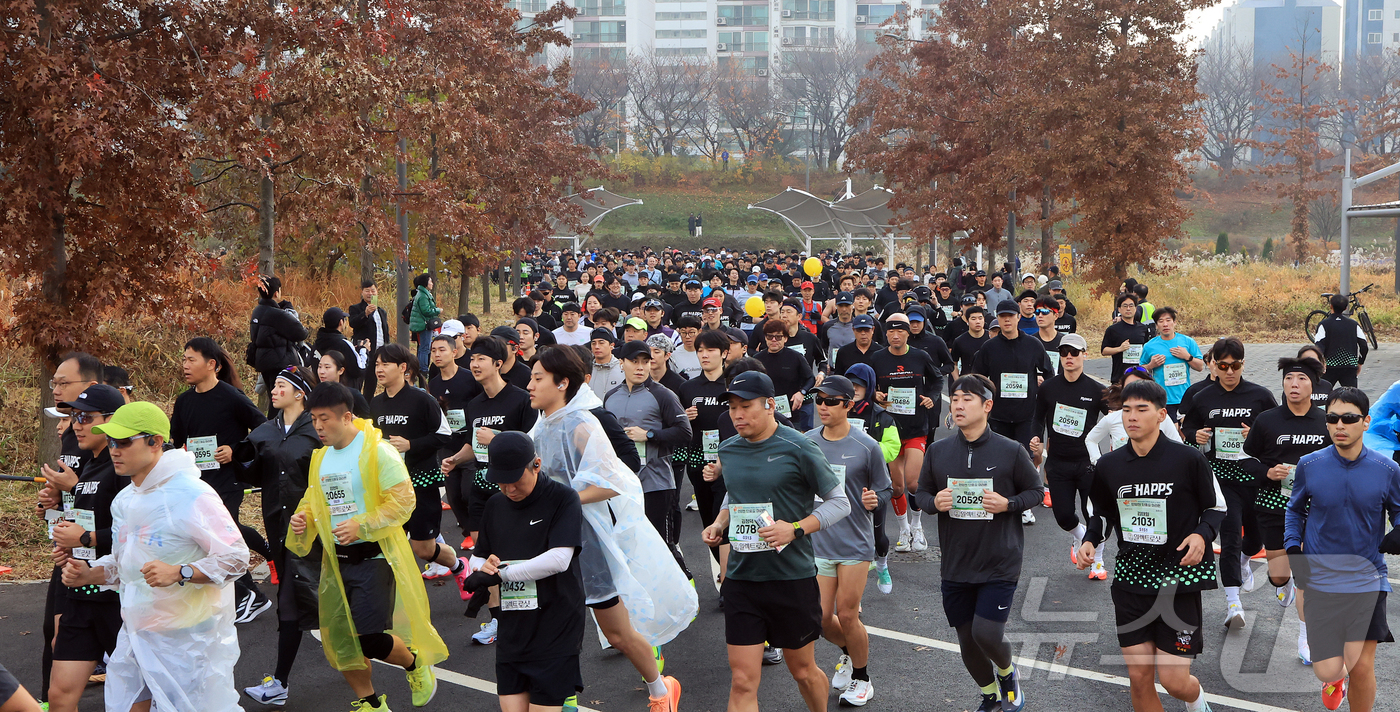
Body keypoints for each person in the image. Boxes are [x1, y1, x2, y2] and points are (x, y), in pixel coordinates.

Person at [528, 346, 694, 712]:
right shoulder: (542, 424)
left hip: (587, 542)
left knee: (617, 632)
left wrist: (561, 498)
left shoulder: (581, 423)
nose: (530, 385)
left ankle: (661, 690)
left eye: (538, 378)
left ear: (562, 383)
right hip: (548, 539)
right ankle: (562, 696)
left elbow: (613, 482)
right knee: (555, 623)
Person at [62, 402, 250, 712]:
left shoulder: (191, 494)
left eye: (124, 441)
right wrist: (90, 575)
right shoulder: (126, 500)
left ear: (156, 442)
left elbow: (236, 558)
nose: (114, 450)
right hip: (137, 632)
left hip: (187, 639)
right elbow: (127, 563)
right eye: (110, 442)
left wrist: (181, 572)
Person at [287, 383, 447, 711]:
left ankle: (415, 664)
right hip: (336, 561)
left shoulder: (377, 451)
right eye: (313, 419)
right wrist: (303, 518)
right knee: (343, 642)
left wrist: (362, 523)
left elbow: (403, 502)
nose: (318, 426)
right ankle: (371, 704)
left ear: (347, 417)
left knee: (369, 638)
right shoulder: (321, 457)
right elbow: (314, 498)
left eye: (324, 419)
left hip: (373, 557)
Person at [700, 370, 850, 712]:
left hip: (790, 578)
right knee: (742, 680)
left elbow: (840, 503)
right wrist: (720, 522)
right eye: (733, 407)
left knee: (803, 671)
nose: (737, 414)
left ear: (769, 405)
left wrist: (794, 528)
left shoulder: (798, 446)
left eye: (746, 406)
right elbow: (734, 496)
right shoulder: (729, 449)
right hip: (741, 579)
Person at [1078, 379, 1224, 712]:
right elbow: (1101, 511)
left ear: (1161, 415)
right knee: (1140, 677)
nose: (1132, 416)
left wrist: (1202, 534)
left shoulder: (1187, 459)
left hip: (1177, 580)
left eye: (1141, 409)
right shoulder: (1109, 465)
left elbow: (1216, 507)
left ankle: (1197, 700)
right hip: (1132, 580)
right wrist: (1090, 539)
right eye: (1126, 409)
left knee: (1174, 683)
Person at [916, 375, 1040, 712]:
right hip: (956, 561)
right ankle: (989, 695)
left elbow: (1036, 491)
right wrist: (932, 503)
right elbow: (921, 494)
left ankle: (1007, 672)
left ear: (987, 406)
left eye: (967, 398)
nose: (957, 404)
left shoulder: (1010, 450)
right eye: (954, 398)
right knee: (966, 639)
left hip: (1000, 559)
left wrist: (1008, 504)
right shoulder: (938, 451)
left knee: (986, 633)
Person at [461, 431, 597, 712]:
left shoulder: (563, 498)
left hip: (555, 624)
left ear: (536, 464)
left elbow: (560, 558)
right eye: (501, 482)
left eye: (515, 481)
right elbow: (478, 557)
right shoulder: (496, 505)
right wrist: (482, 566)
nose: (509, 489)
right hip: (513, 627)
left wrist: (503, 573)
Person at [1287, 387, 1400, 712]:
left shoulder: (1387, 469)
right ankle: (1332, 677)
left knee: (1362, 666)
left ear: (1365, 422)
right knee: (1329, 666)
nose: (1339, 425)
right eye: (1333, 418)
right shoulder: (1310, 464)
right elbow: (1295, 510)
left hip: (1368, 578)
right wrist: (1294, 547)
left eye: (1348, 418)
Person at [236, 367, 323, 706]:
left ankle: (393, 655)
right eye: (273, 385)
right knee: (293, 602)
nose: (274, 390)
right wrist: (235, 460)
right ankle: (280, 683)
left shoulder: (317, 429)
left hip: (317, 531)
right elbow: (253, 472)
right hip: (280, 529)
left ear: (300, 393)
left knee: (317, 602)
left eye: (282, 386)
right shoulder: (264, 432)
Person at [169, 337, 273, 622]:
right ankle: (251, 594)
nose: (185, 365)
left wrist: (235, 451)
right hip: (196, 485)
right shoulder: (184, 401)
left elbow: (264, 429)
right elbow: (177, 441)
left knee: (221, 539)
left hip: (228, 480)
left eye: (191, 359)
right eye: (184, 359)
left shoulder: (231, 396)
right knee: (213, 539)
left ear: (211, 364)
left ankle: (248, 595)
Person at [1179, 338, 1276, 629]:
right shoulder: (1202, 396)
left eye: (1235, 365)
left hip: (1255, 477)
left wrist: (1255, 436)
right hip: (1222, 478)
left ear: (1243, 364)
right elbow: (1189, 427)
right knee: (1231, 536)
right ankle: (1234, 604)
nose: (1230, 371)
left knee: (1255, 539)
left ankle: (1247, 561)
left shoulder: (1261, 396)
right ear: (1214, 366)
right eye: (1223, 366)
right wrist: (1196, 435)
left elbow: (1276, 428)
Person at [806, 376, 890, 707]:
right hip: (819, 542)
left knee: (848, 613)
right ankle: (847, 652)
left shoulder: (866, 445)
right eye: (819, 400)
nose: (823, 406)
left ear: (848, 405)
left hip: (855, 543)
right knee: (821, 618)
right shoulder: (808, 441)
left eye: (831, 401)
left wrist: (875, 500)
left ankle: (862, 678)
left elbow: (885, 489)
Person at [1241, 357, 1329, 666]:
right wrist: (1267, 472)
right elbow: (1246, 459)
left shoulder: (1326, 421)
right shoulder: (1267, 420)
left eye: (1301, 379)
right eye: (1289, 378)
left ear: (1313, 386)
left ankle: (1306, 640)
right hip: (1274, 506)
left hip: (1315, 509)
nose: (1294, 384)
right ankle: (1284, 582)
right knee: (1279, 576)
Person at [44, 385, 126, 712]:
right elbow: (82, 522)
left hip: (116, 598)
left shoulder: (121, 467)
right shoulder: (89, 465)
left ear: (110, 421)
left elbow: (132, 534)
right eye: (74, 416)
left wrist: (84, 539)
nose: (76, 424)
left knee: (136, 696)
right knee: (60, 695)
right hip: (79, 592)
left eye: (85, 417)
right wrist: (65, 545)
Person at [36, 352, 102, 707]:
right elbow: (68, 502)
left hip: (109, 571)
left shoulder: (112, 445)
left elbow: (114, 508)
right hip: (70, 557)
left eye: (63, 383)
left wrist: (74, 488)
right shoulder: (71, 433)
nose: (56, 389)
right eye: (54, 383)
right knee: (54, 631)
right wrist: (51, 507)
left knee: (132, 667)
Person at [369, 344, 466, 585]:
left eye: (385, 364)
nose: (379, 370)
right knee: (388, 544)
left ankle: (458, 566)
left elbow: (444, 435)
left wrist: (411, 444)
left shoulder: (422, 399)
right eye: (377, 365)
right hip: (389, 485)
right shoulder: (376, 404)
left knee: (422, 548)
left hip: (421, 482)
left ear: (403, 368)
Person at [604, 339, 694, 578]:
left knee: (661, 546)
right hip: (622, 485)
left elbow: (685, 433)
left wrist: (650, 435)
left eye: (645, 361)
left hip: (656, 484)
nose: (641, 367)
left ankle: (684, 588)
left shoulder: (663, 395)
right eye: (634, 361)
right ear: (621, 363)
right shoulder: (610, 396)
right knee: (627, 547)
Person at [1029, 333, 1108, 580]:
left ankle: (1098, 561)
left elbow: (1114, 419)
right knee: (1064, 516)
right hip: (1058, 463)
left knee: (1095, 514)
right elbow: (1037, 417)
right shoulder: (1049, 388)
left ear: (1085, 354)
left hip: (1088, 463)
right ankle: (1080, 536)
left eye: (1074, 352)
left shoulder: (1097, 390)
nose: (1069, 357)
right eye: (1064, 353)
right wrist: (1035, 437)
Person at [867, 312, 941, 552]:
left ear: (909, 334)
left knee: (913, 483)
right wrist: (874, 395)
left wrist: (930, 397)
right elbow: (866, 386)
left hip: (916, 427)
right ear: (885, 333)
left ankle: (918, 527)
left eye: (900, 331)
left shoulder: (920, 356)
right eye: (891, 331)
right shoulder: (877, 358)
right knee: (896, 487)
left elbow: (937, 379)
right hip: (889, 429)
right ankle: (903, 529)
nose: (895, 335)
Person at [676, 329, 735, 578]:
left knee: (727, 521)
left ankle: (729, 578)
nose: (704, 355)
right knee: (709, 523)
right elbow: (677, 429)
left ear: (724, 353)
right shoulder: (687, 387)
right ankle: (725, 573)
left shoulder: (732, 385)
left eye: (710, 350)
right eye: (700, 350)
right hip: (699, 462)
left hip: (730, 461)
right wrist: (685, 419)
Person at [1085, 367, 1184, 462]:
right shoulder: (1112, 418)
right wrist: (1098, 462)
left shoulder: (1162, 417)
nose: (1134, 391)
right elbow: (1091, 439)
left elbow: (1178, 447)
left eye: (1141, 386)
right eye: (1129, 387)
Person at [249, 275, 310, 411]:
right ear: (277, 293)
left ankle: (274, 426)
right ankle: (279, 427)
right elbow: (301, 333)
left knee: (274, 398)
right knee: (282, 402)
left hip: (263, 362)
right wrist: (289, 313)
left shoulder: (257, 311)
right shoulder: (278, 314)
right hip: (281, 362)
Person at [1139, 307, 1204, 421]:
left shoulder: (1187, 342)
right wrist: (1150, 365)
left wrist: (1187, 357)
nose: (1165, 324)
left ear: (1174, 322)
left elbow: (1200, 367)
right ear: (1156, 325)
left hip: (1185, 398)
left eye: (1168, 320)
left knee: (1185, 433)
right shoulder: (1149, 346)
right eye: (1161, 321)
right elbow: (1139, 372)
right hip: (1162, 399)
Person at [754, 319, 816, 427]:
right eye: (770, 336)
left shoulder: (796, 357)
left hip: (792, 413)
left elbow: (810, 378)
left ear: (785, 338)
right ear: (765, 338)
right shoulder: (757, 359)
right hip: (765, 413)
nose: (774, 340)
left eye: (778, 337)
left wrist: (802, 393)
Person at [1313, 294, 1368, 388]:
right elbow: (1364, 346)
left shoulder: (1324, 324)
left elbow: (1318, 347)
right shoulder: (1354, 324)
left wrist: (1321, 363)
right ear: (1346, 308)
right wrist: (1360, 362)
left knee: (1322, 395)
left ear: (1331, 306)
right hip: (1349, 366)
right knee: (1351, 398)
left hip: (1329, 367)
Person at [349, 280, 392, 397]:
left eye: (373, 290)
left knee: (372, 380)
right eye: (367, 291)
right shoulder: (355, 308)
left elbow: (385, 330)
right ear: (362, 293)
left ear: (377, 292)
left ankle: (368, 405)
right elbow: (353, 323)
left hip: (379, 350)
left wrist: (387, 347)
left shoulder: (381, 311)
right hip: (364, 350)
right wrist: (365, 314)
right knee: (360, 378)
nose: (370, 293)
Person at [1101, 293, 1152, 384]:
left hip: (1140, 376)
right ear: (1119, 309)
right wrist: (1119, 349)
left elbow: (1147, 349)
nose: (1128, 308)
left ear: (1136, 308)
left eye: (1131, 305)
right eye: (1125, 306)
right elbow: (1104, 351)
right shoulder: (1113, 329)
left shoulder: (1143, 328)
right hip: (1120, 378)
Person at [314, 307, 366, 390]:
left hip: (320, 390)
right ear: (341, 322)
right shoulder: (343, 343)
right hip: (343, 392)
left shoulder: (317, 343)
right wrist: (364, 350)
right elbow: (359, 370)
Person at [319, 351, 373, 418]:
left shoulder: (353, 395)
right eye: (320, 367)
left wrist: (355, 421)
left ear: (341, 370)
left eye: (327, 367)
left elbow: (369, 420)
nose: (321, 371)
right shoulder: (316, 395)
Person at [408, 273, 442, 373]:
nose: (432, 283)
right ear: (425, 283)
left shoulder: (423, 293)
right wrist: (437, 310)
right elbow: (426, 310)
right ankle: (423, 369)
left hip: (422, 323)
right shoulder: (423, 295)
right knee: (425, 348)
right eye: (430, 281)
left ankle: (420, 367)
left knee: (423, 347)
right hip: (424, 324)